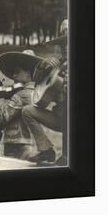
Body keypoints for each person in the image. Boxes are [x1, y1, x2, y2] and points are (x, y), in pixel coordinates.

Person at [0, 50, 42, 161]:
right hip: (26, 143)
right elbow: (9, 120)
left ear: (28, 73)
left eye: (17, 72)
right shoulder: (35, 92)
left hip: (18, 146)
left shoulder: (22, 95)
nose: (13, 75)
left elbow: (1, 117)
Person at [23, 19, 69, 165]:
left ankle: (67, 157)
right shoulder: (59, 64)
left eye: (68, 42)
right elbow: (36, 82)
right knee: (27, 111)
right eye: (63, 44)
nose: (65, 47)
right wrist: (42, 67)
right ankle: (46, 151)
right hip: (59, 116)